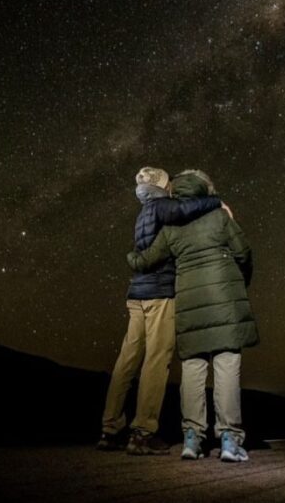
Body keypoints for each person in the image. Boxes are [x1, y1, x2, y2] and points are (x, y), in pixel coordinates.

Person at [126, 169, 258, 463]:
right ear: (205, 189)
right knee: (226, 362)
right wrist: (240, 283)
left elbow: (147, 259)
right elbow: (244, 253)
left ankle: (192, 438)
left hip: (187, 301)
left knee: (193, 366)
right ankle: (229, 439)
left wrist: (131, 257)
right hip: (225, 300)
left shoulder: (173, 226)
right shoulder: (221, 216)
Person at [97, 166, 223, 455]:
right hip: (159, 294)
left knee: (126, 361)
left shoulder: (144, 212)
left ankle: (110, 428)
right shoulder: (161, 207)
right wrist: (216, 202)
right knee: (156, 359)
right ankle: (143, 433)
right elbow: (185, 210)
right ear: (162, 187)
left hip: (137, 294)